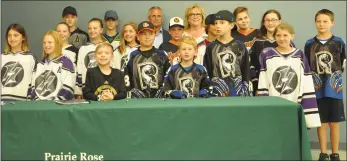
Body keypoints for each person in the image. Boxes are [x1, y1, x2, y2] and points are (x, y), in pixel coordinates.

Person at [257, 22, 321, 129]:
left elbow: (306, 81)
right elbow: (263, 80)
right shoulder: (268, 56)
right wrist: (264, 101)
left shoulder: (299, 55)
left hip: (295, 102)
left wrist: (306, 105)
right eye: (278, 35)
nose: (282, 38)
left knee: (293, 132)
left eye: (285, 35)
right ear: (274, 37)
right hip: (274, 102)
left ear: (292, 36)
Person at [304, 9, 346, 161]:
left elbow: (342, 63)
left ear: (332, 23)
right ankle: (323, 152)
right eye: (319, 21)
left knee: (334, 122)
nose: (321, 24)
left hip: (334, 90)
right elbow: (307, 66)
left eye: (325, 21)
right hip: (316, 89)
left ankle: (335, 153)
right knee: (321, 122)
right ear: (315, 22)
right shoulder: (309, 43)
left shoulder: (339, 42)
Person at [204, 10, 251, 97]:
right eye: (216, 23)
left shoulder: (240, 46)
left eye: (222, 23)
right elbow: (208, 72)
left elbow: (246, 71)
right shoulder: (210, 47)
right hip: (217, 94)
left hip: (238, 94)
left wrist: (246, 90)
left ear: (231, 25)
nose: (217, 26)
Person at [249, 9, 295, 96]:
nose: (270, 23)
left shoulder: (288, 43)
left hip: (284, 87)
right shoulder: (257, 43)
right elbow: (252, 66)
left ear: (279, 21)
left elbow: (293, 67)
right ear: (264, 22)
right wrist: (256, 86)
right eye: (267, 20)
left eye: (274, 20)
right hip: (262, 87)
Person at [124, 21, 170, 98]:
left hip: (159, 100)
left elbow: (169, 76)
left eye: (150, 34)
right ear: (138, 36)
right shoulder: (131, 56)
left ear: (155, 35)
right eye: (144, 34)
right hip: (137, 101)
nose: (147, 37)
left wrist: (164, 91)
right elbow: (125, 78)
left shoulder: (162, 54)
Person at [30, 31, 75, 100]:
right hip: (39, 106)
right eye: (44, 43)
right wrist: (38, 102)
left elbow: (68, 88)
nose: (46, 45)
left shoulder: (66, 63)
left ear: (57, 43)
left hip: (58, 107)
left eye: (50, 42)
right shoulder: (39, 65)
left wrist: (54, 103)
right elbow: (32, 87)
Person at [1, 23, 37, 101]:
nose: (12, 38)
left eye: (15, 35)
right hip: (2, 102)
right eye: (9, 35)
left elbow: (33, 82)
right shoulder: (2, 57)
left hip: (21, 102)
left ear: (23, 37)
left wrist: (30, 98)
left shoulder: (30, 58)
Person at [75, 18, 106, 98]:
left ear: (101, 30)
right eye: (89, 28)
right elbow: (79, 69)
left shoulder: (108, 47)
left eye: (95, 28)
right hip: (87, 90)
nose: (92, 30)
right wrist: (79, 91)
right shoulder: (83, 48)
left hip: (105, 88)